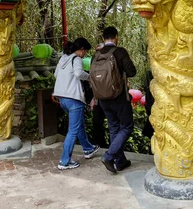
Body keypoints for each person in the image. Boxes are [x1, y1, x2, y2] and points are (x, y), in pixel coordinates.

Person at [94, 26, 137, 173]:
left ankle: (120, 161)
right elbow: (132, 71)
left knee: (113, 127)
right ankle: (109, 156)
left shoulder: (97, 54)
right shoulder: (119, 52)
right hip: (118, 97)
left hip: (102, 98)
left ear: (103, 38)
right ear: (116, 37)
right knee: (126, 126)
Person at [53, 37, 100, 170]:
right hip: (73, 98)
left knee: (78, 124)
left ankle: (88, 148)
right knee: (73, 130)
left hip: (62, 98)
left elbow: (56, 74)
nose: (85, 55)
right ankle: (64, 161)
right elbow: (79, 73)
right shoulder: (76, 59)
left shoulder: (63, 58)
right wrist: (90, 77)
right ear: (81, 50)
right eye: (85, 52)